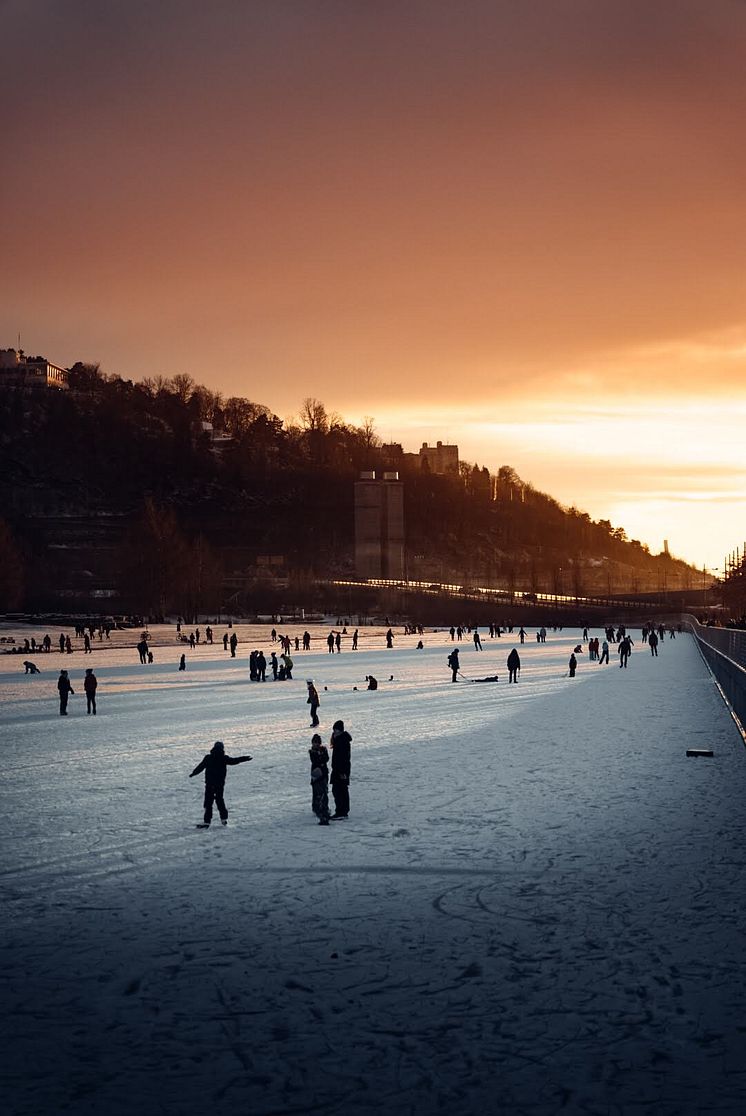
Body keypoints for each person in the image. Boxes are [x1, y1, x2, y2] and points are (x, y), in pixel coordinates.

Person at [189, 740, 252, 828]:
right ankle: (224, 819)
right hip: (219, 784)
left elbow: (201, 767)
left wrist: (193, 773)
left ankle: (207, 822)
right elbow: (234, 761)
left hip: (210, 784)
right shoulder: (224, 758)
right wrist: (244, 758)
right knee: (219, 800)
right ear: (222, 748)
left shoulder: (208, 757)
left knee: (208, 802)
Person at [330, 719, 352, 819]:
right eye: (334, 730)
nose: (335, 732)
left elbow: (344, 758)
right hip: (337, 770)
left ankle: (342, 811)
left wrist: (343, 772)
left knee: (340, 790)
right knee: (337, 790)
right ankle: (341, 810)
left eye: (337, 730)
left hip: (341, 770)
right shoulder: (338, 740)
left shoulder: (342, 741)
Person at [309, 733, 330, 825]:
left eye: (317, 743)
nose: (316, 744)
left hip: (323, 774)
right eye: (314, 743)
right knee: (317, 792)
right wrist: (320, 757)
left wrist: (321, 757)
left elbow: (326, 759)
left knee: (324, 791)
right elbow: (316, 760)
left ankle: (324, 809)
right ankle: (317, 808)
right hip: (316, 775)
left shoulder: (323, 750)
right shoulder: (312, 752)